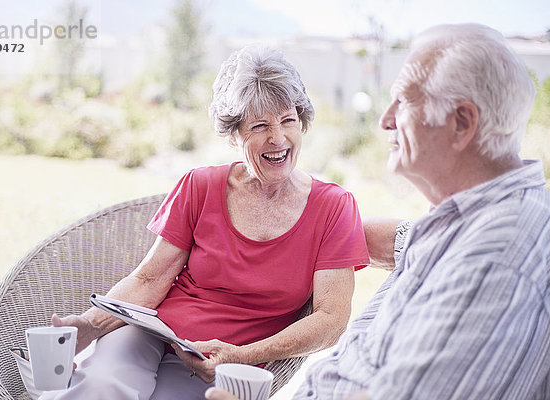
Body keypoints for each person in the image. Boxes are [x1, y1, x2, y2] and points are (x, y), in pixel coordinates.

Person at [206, 23, 550, 400]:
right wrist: (308, 233)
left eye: (403, 101)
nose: (386, 119)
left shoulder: (492, 262)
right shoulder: (477, 216)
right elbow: (407, 240)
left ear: (462, 124)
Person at [40, 46, 371, 399]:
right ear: (234, 134)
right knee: (99, 387)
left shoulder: (334, 207)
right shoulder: (200, 185)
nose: (277, 138)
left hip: (221, 364)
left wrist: (242, 355)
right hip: (150, 332)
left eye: (288, 120)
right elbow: (150, 279)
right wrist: (90, 326)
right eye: (259, 125)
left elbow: (331, 320)